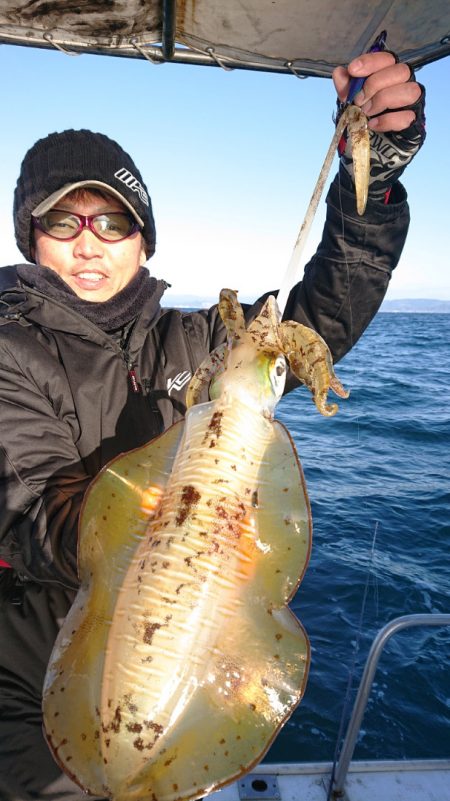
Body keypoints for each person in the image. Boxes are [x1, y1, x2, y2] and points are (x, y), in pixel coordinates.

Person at [0, 51, 425, 801]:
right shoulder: (9, 350)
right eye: (62, 221)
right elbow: (33, 512)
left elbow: (318, 321)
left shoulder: (201, 341)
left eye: (112, 220)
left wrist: (373, 181)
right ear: (30, 237)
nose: (89, 241)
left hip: (193, 648)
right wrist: (175, 522)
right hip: (37, 671)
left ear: (143, 237)